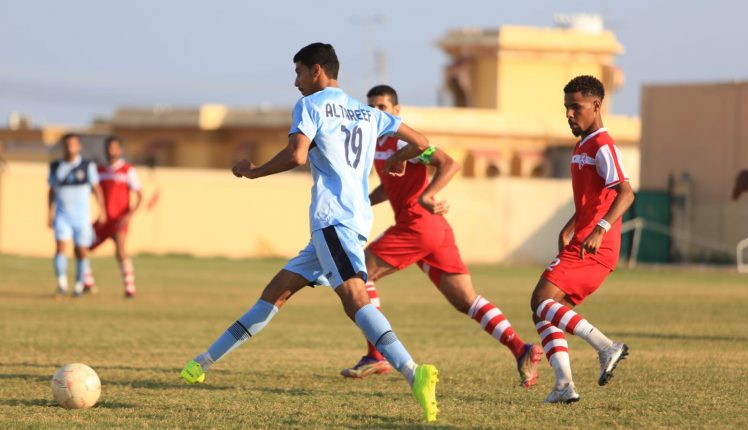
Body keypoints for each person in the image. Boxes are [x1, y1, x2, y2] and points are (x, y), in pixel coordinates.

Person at [180, 43, 440, 422]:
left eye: (299, 72)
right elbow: (422, 142)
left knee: (355, 299)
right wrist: (399, 159)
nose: (296, 81)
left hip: (333, 219)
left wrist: (254, 172)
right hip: (350, 220)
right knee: (276, 292)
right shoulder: (367, 111)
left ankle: (413, 372)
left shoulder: (310, 106)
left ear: (317, 70)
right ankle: (202, 362)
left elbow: (297, 155)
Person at [339, 85, 543, 388]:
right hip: (434, 231)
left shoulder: (404, 141)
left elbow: (450, 163)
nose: (376, 112)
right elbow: (391, 187)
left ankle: (376, 355)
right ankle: (521, 349)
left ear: (396, 111)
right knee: (466, 301)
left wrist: (428, 195)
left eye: (382, 107)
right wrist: (364, 203)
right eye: (371, 107)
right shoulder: (377, 142)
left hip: (416, 228)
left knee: (358, 276)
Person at [530, 75, 635, 403]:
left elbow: (625, 193)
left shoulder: (603, 144)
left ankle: (606, 347)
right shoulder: (583, 146)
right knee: (546, 311)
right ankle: (564, 386)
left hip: (595, 246)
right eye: (566, 107)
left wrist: (600, 229)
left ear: (596, 105)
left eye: (576, 107)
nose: (569, 114)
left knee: (541, 301)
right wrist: (569, 227)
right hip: (583, 241)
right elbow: (593, 200)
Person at [48, 133, 106, 296]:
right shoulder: (56, 166)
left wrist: (102, 210)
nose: (70, 147)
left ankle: (80, 285)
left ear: (79, 147)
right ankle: (62, 284)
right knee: (61, 247)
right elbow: (51, 191)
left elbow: (96, 189)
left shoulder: (87, 166)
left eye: (73, 144)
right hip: (62, 215)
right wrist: (49, 213)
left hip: (81, 217)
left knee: (81, 251)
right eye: (67, 144)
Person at [87, 136, 143, 298]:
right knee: (82, 247)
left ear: (120, 150)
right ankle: (87, 283)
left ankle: (130, 288)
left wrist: (129, 215)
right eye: (109, 147)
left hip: (119, 220)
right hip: (104, 219)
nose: (111, 151)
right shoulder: (99, 170)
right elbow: (93, 191)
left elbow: (140, 195)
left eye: (114, 148)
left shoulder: (127, 170)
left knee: (120, 251)